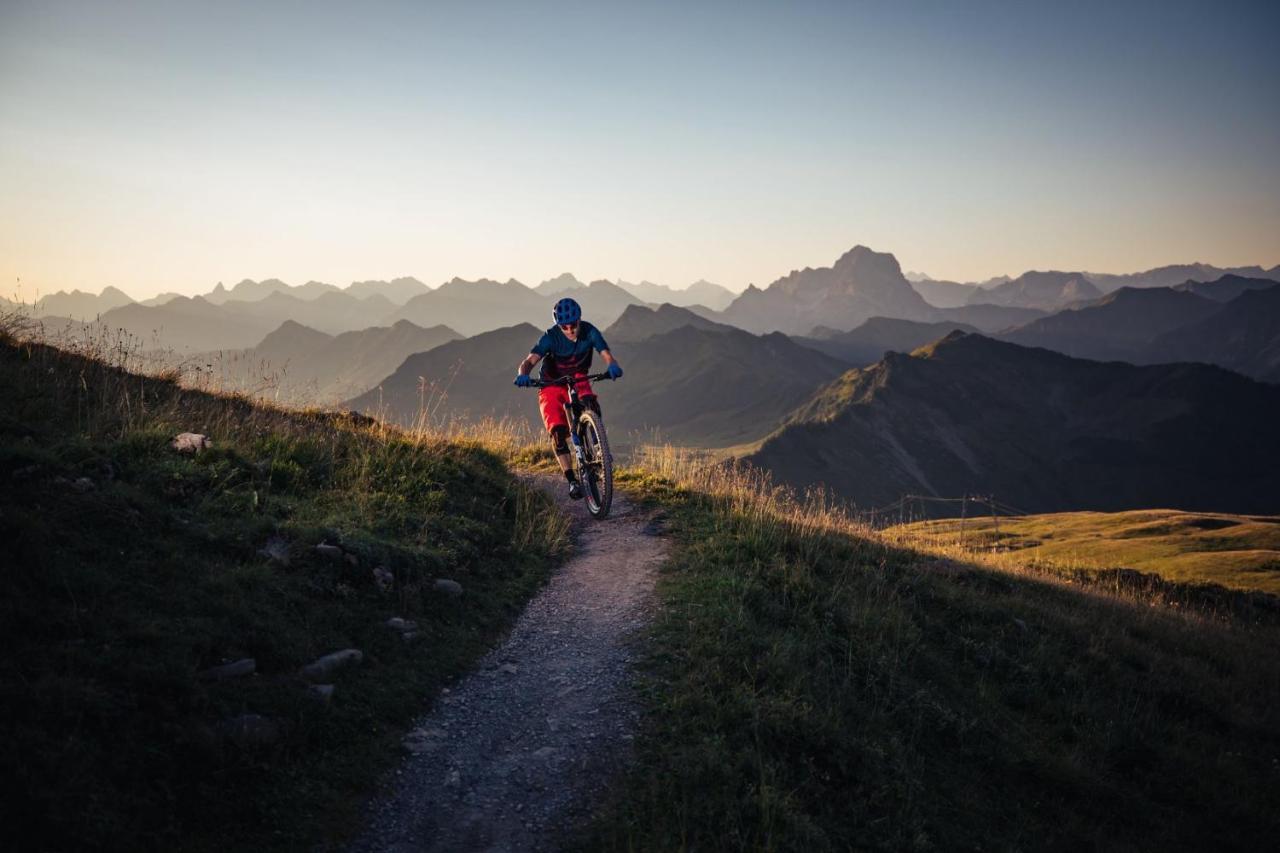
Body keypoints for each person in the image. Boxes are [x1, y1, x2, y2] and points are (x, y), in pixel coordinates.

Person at [514, 297, 622, 499]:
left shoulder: (589, 331)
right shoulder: (550, 337)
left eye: (574, 325)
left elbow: (605, 353)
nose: (571, 330)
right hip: (551, 383)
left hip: (578, 376)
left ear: (579, 320)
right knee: (557, 432)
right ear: (559, 325)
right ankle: (572, 480)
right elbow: (529, 361)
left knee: (590, 402)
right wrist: (523, 374)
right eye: (565, 326)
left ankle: (599, 448)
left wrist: (612, 366)